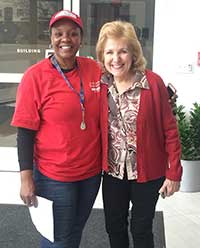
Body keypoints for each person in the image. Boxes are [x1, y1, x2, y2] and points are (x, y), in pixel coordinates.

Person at [11, 9, 108, 248]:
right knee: (58, 238)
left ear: (80, 39)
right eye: (59, 34)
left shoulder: (94, 69)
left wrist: (158, 94)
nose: (66, 39)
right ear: (51, 38)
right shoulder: (35, 77)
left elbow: (124, 80)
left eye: (73, 33)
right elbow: (25, 132)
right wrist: (26, 178)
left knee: (75, 230)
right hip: (54, 175)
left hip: (90, 173)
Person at [96, 20, 182, 248]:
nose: (116, 58)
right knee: (114, 227)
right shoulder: (101, 84)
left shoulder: (152, 83)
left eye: (123, 51)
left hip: (147, 173)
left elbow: (170, 130)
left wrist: (174, 173)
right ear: (102, 55)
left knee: (141, 228)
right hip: (113, 173)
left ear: (133, 53)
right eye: (110, 52)